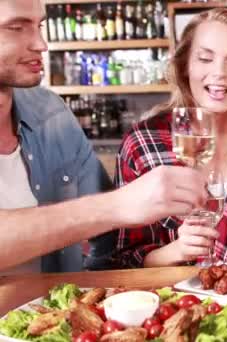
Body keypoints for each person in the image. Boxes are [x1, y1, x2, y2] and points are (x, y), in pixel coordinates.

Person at [0, 0, 207, 274]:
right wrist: (117, 205)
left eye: (39, 26)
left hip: (56, 314)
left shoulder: (52, 113)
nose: (41, 44)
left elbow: (110, 242)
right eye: (16, 27)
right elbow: (112, 208)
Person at [113, 8, 227, 268]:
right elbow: (126, 262)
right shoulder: (142, 144)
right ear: (185, 65)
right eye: (205, 59)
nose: (220, 73)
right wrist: (178, 250)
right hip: (168, 304)